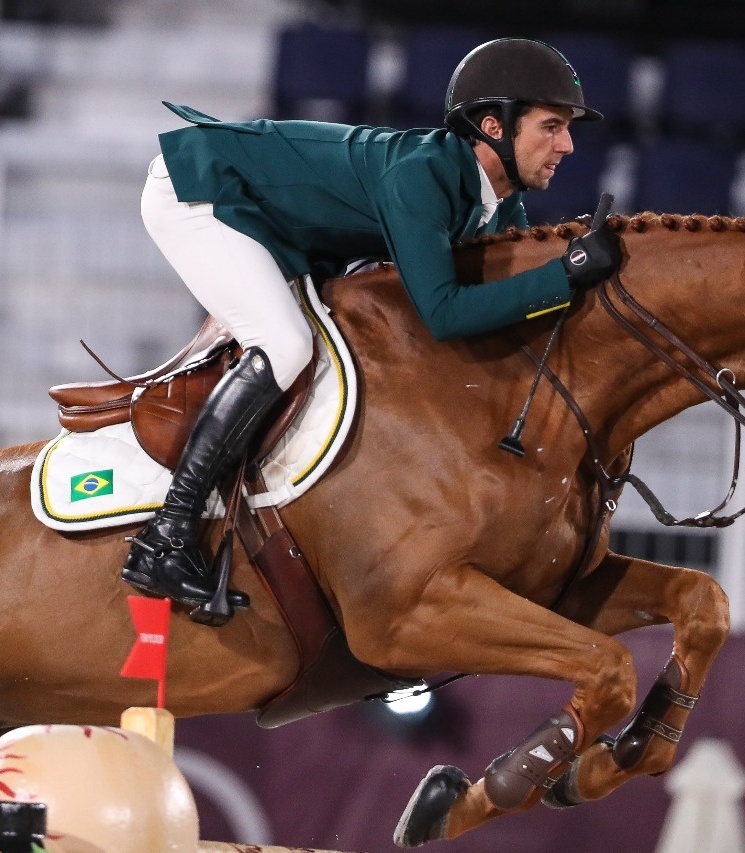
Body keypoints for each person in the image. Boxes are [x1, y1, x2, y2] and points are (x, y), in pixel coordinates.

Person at [121, 36, 623, 616]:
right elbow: (445, 313)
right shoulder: (423, 175)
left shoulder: (501, 204)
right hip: (201, 194)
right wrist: (568, 274)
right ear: (493, 127)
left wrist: (569, 280)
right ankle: (167, 535)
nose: (567, 144)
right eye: (552, 126)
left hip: (275, 222)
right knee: (285, 345)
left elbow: (502, 306)